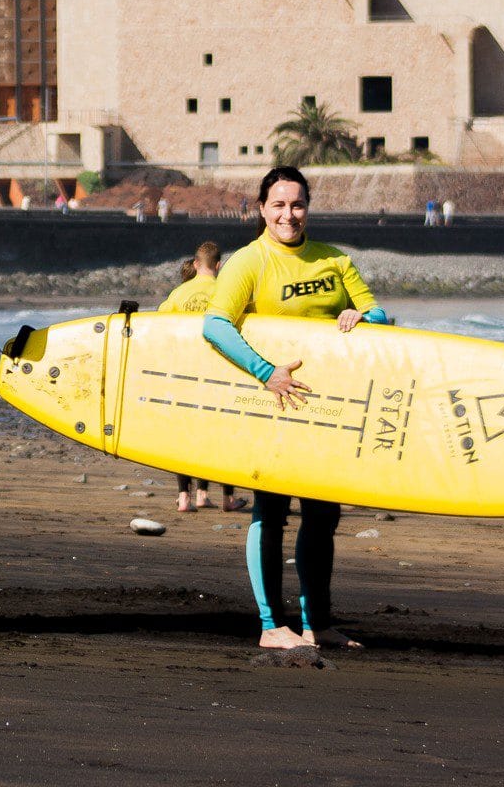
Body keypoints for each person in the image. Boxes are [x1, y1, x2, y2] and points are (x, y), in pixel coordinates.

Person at [202, 166, 388, 651]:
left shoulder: (334, 260)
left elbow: (382, 316)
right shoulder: (248, 262)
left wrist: (360, 316)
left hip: (326, 406)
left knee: (323, 514)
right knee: (270, 509)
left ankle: (316, 622)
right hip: (274, 403)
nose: (289, 214)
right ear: (262, 209)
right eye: (279, 205)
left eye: (298, 204)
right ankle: (270, 626)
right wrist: (268, 373)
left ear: (308, 207)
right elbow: (217, 327)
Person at [158, 241, 246, 512]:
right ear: (219, 265)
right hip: (220, 375)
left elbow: (160, 328)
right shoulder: (227, 292)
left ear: (196, 264)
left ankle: (186, 497)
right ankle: (227, 498)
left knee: (185, 438)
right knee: (221, 438)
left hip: (185, 374)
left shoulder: (178, 294)